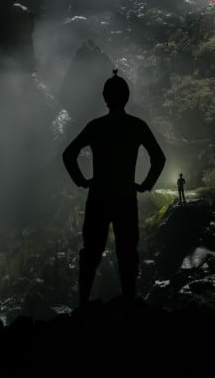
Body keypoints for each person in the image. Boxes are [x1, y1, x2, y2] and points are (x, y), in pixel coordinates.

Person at [62, 68, 166, 307]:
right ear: (126, 97)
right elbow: (159, 159)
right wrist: (145, 185)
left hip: (98, 196)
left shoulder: (96, 126)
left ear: (105, 98)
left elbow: (69, 154)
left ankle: (84, 304)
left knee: (90, 253)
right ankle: (129, 303)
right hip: (125, 197)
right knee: (128, 253)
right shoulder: (137, 126)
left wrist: (82, 180)